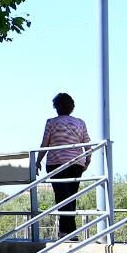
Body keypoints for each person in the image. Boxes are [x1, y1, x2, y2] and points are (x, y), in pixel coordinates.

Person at [40, 93, 91, 239]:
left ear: (56, 107)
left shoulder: (51, 122)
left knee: (62, 197)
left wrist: (37, 161)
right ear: (72, 107)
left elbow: (45, 144)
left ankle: (69, 232)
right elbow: (87, 143)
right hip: (76, 163)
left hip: (56, 163)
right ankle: (66, 231)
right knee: (70, 197)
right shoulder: (80, 123)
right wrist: (87, 160)